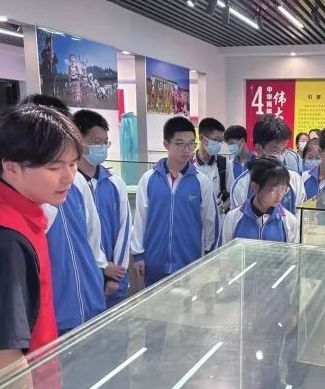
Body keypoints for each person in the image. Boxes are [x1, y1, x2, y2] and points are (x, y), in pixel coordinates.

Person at [0, 105, 80, 389]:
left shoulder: (9, 209)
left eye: (73, 163)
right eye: (54, 166)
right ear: (11, 166)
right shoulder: (3, 239)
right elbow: (3, 358)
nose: (69, 176)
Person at [20, 95, 108, 335]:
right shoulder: (19, 192)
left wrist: (99, 275)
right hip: (51, 314)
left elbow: (93, 235)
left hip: (90, 302)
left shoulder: (76, 181)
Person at [132, 116, 218, 287]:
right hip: (154, 261)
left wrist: (209, 254)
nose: (187, 150)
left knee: (188, 303)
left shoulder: (201, 181)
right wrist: (138, 254)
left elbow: (210, 220)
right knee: (155, 303)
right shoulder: (149, 179)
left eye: (191, 144)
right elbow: (140, 218)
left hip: (189, 261)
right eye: (180, 144)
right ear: (166, 144)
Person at [73, 109, 132, 308]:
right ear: (78, 140)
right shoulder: (69, 185)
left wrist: (116, 273)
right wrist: (102, 266)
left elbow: (125, 229)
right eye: (97, 142)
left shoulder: (115, 183)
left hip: (115, 276)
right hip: (84, 275)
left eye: (106, 142)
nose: (103, 148)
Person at [231, 115, 306, 215]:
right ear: (258, 148)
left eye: (284, 150)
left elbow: (300, 218)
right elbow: (239, 219)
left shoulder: (295, 180)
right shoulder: (242, 184)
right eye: (275, 151)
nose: (280, 156)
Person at [222, 157, 299, 245]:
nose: (280, 195)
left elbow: (293, 252)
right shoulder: (233, 218)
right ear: (255, 187)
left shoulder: (289, 221)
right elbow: (224, 251)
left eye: (283, 189)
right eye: (273, 190)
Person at [194, 117, 229, 213]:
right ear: (202, 138)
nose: (218, 144)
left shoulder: (224, 164)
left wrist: (221, 210)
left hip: (218, 217)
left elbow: (232, 194)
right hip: (194, 215)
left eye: (220, 141)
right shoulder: (189, 164)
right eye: (215, 140)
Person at [224, 124, 254, 196]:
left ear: (242, 141)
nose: (230, 148)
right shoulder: (230, 164)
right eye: (228, 145)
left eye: (232, 144)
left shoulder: (257, 162)